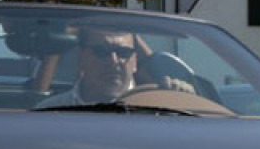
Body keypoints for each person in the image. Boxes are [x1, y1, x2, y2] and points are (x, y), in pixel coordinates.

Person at [37, 27, 193, 108]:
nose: (113, 61)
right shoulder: (51, 112)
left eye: (123, 52)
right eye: (102, 51)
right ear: (81, 58)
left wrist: (186, 103)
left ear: (135, 61)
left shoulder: (162, 109)